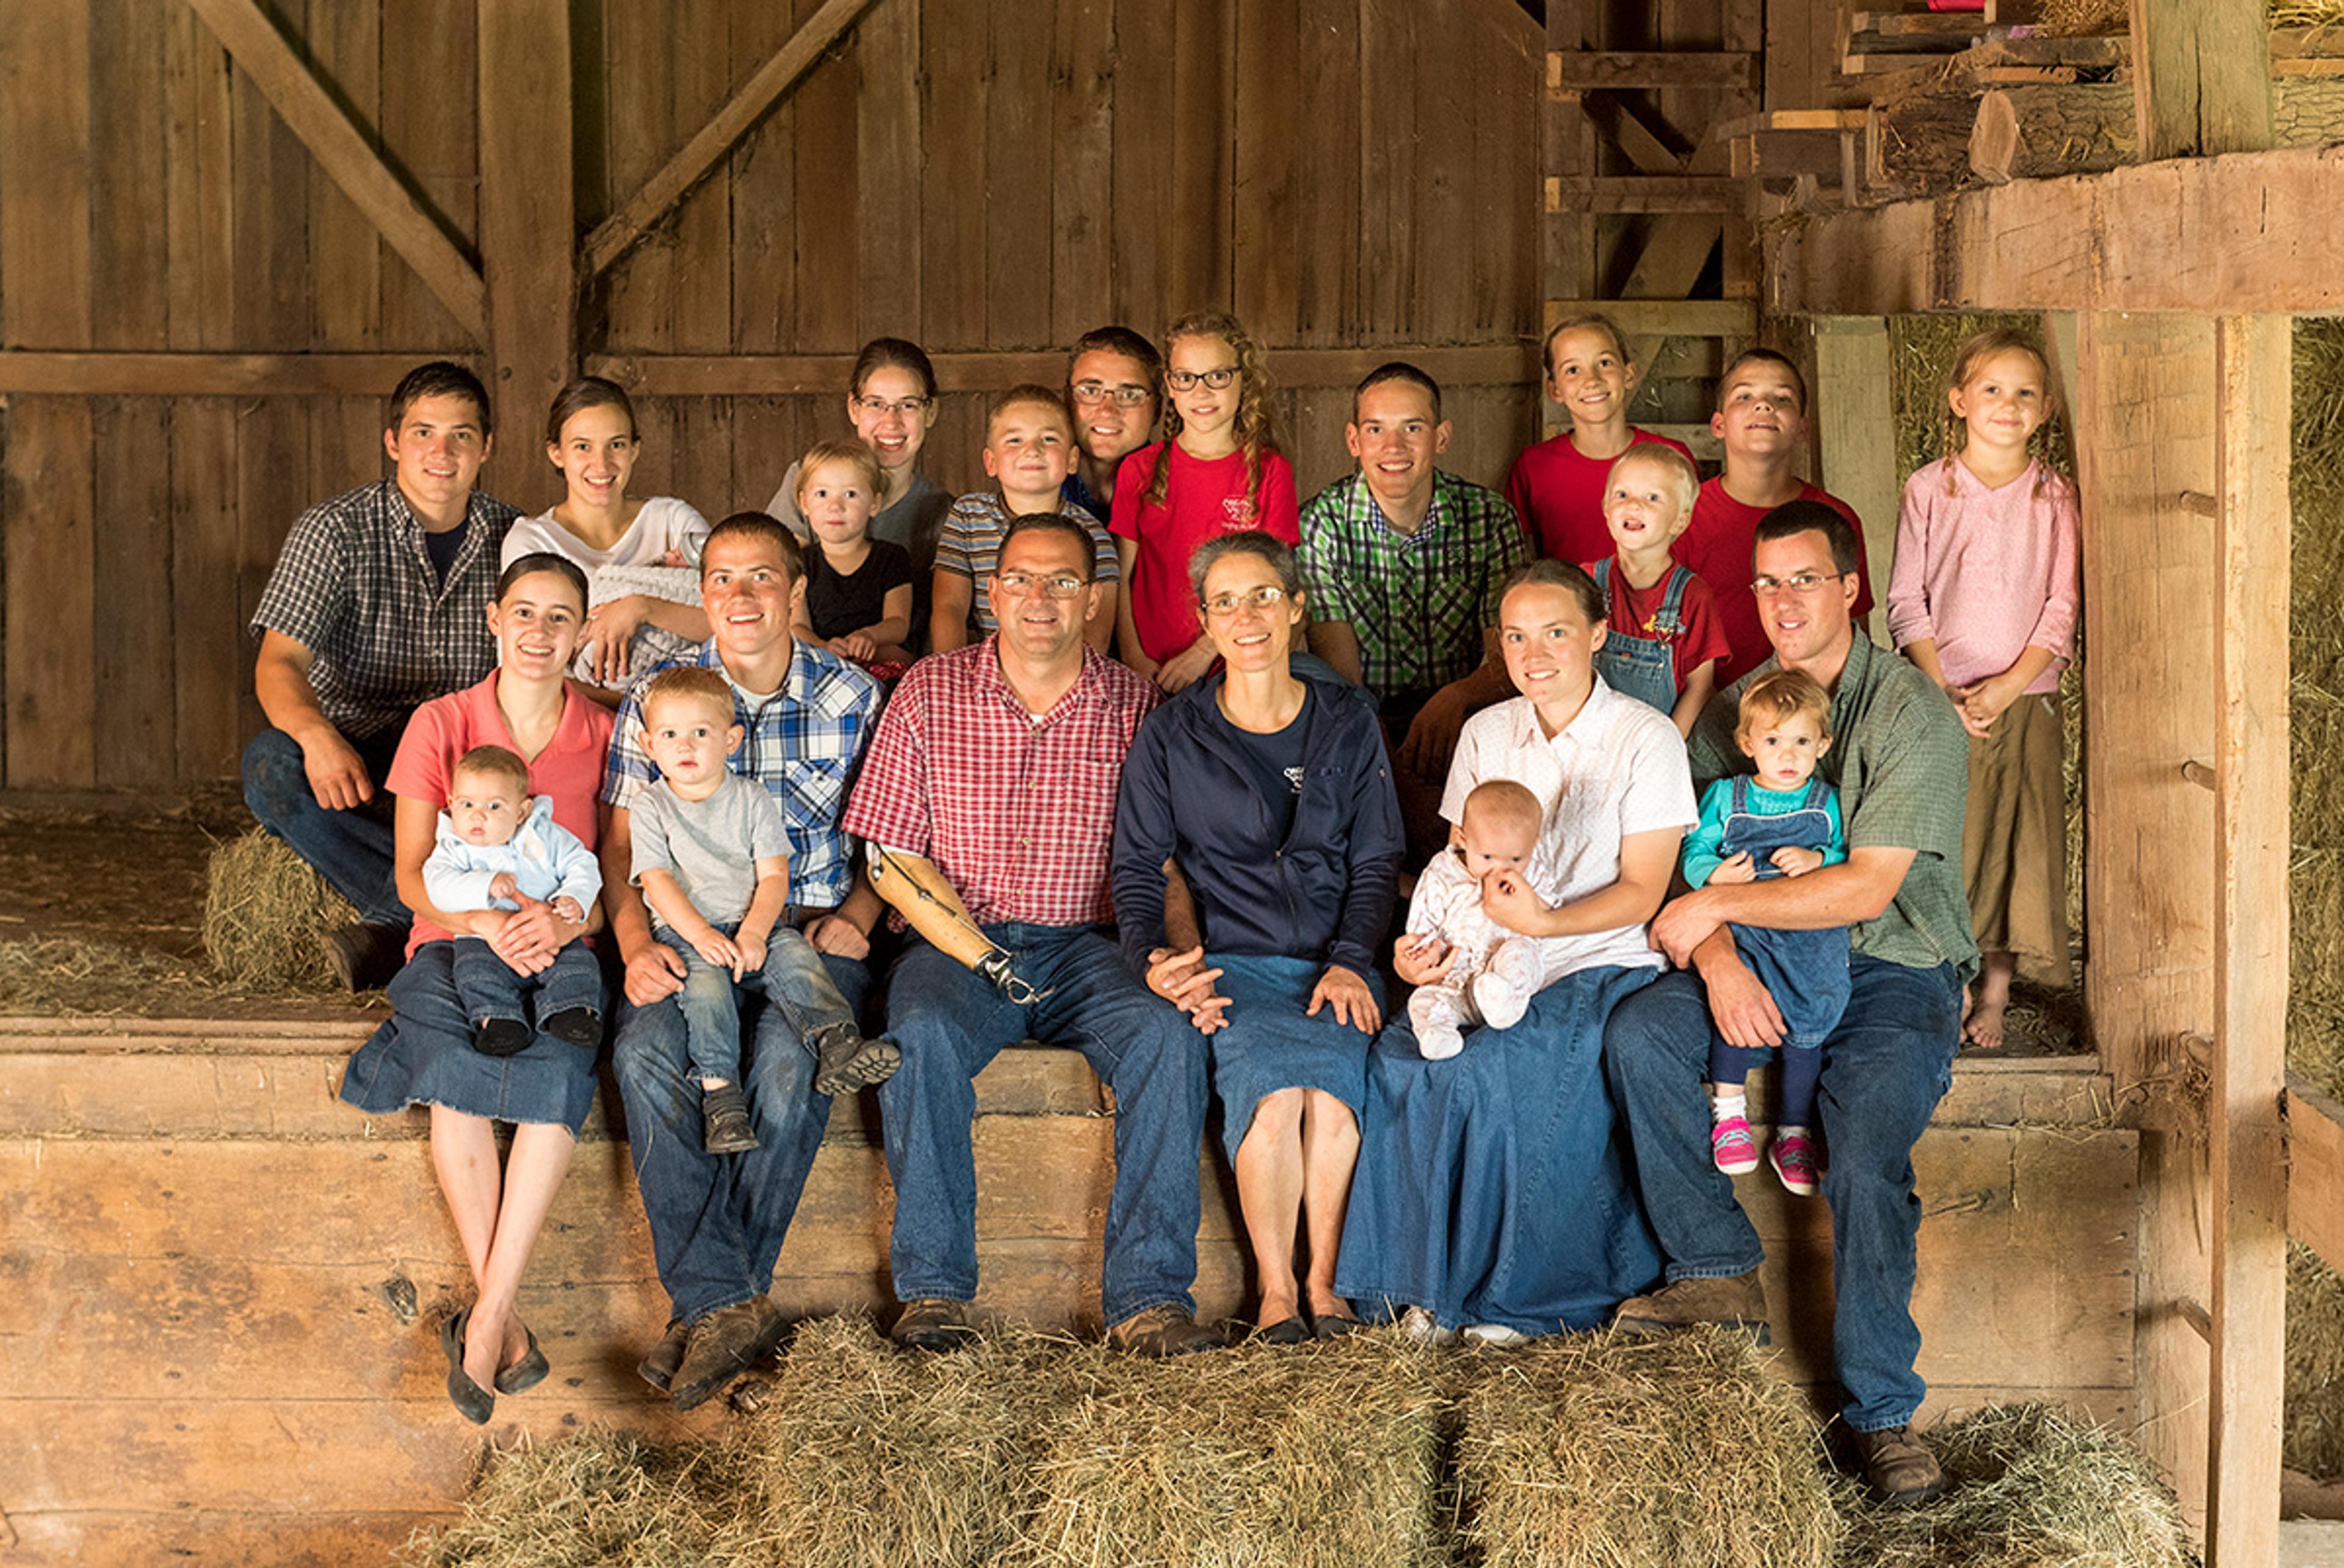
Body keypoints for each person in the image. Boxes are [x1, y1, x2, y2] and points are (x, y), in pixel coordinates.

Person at [1604, 499, 1975, 1506]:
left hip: (1890, 961)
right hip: (1759, 953)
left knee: (1862, 1155)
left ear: (1853, 586)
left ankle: (1883, 1413)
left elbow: (1864, 887)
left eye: (1804, 578)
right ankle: (1717, 1264)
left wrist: (1717, 902)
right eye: (1766, 581)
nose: (1783, 600)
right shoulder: (1745, 705)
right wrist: (1720, 955)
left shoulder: (1909, 711)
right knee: (1641, 1035)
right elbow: (1684, 858)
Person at [842, 515, 1221, 1359]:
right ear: (993, 590)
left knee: (1166, 1039)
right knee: (922, 1037)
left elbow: (1167, 862)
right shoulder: (931, 692)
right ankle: (935, 1293)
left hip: (1093, 946)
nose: (1039, 598)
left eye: (1061, 582)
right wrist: (975, 949)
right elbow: (891, 855)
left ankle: (1149, 1301)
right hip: (957, 944)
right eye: (1020, 579)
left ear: (1092, 598)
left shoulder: (1135, 705)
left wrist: (1174, 954)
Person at [1334, 561, 1694, 1343]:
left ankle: (1519, 1302)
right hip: (1480, 955)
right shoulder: (1487, 731)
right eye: (1518, 635)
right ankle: (1409, 1294)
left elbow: (1643, 890)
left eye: (1557, 632)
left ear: (1599, 635)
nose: (1536, 652)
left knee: (1508, 1067)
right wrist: (1413, 956)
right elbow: (1454, 869)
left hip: (1595, 955)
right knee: (1408, 1064)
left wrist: (1542, 925)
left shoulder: (1645, 736)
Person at [599, 513, 891, 1413]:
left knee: (784, 1062)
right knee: (646, 1053)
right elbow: (621, 847)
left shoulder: (852, 696)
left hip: (806, 928)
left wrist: (858, 914)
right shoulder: (658, 699)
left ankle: (712, 1306)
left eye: (761, 577)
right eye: (721, 578)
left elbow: (895, 835)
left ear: (796, 591)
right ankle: (729, 1305)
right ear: (704, 592)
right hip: (684, 932)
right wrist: (636, 943)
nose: (739, 596)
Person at [335, 553, 613, 1423]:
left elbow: (610, 879)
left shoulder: (605, 730)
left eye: (560, 616)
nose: (539, 633)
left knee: (559, 1075)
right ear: (494, 621)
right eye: (523, 613)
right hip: (453, 943)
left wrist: (565, 925)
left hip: (559, 948)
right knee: (455, 1075)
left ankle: (487, 1315)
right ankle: (502, 1322)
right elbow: (415, 877)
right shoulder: (441, 722)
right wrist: (482, 924)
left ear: (582, 631)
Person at [1112, 532, 1403, 1344]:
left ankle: (1327, 1289)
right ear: (1204, 618)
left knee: (1336, 1101)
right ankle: (1277, 1297)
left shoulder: (1348, 720)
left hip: (1335, 964)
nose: (1248, 617)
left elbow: (1379, 856)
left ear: (1296, 606)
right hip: (1235, 963)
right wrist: (1156, 961)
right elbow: (1138, 864)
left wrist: (1351, 961)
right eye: (1227, 602)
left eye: (1265, 596)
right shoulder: (1174, 733)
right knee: (1275, 1097)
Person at [245, 361, 518, 990]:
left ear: (487, 447)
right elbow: (279, 661)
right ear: (393, 441)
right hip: (361, 753)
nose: (441, 452)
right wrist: (317, 737)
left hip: (463, 759)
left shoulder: (516, 536)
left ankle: (399, 919)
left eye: (461, 435)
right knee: (270, 764)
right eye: (423, 432)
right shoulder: (334, 531)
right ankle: (424, 907)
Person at [1886, 328, 2079, 1049]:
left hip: (2024, 699)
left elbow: (2062, 608)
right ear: (1959, 400)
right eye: (1992, 389)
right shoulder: (1930, 489)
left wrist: (2006, 687)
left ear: (2046, 410)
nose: (2008, 404)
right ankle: (1948, 981)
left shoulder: (2054, 496)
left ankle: (1994, 990)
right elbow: (1907, 600)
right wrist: (1941, 690)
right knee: (1950, 842)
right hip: (1939, 699)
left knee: (2014, 841)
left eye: (2025, 393)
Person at [1299, 363, 1526, 865]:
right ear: (1353, 440)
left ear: (1441, 437)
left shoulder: (1488, 517)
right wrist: (1396, 778)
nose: (1393, 447)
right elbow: (1342, 677)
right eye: (1376, 429)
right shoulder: (1321, 523)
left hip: (1470, 709)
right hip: (1365, 714)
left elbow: (1509, 653)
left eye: (1413, 428)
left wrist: (1457, 697)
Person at [1679, 670, 1850, 1196]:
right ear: (1747, 743)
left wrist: (1817, 857)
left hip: (1807, 936)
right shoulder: (1725, 797)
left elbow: (1846, 855)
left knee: (1811, 1016)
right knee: (1736, 1008)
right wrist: (1712, 873)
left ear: (1822, 745)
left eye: (1802, 742)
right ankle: (1729, 1113)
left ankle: (1792, 1132)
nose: (1788, 754)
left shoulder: (1826, 802)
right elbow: (1693, 851)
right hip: (1747, 927)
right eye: (1773, 741)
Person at [1110, 309, 1300, 692]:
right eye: (1186, 378)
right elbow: (1119, 578)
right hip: (1149, 668)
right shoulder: (1139, 469)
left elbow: (1272, 584)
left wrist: (1203, 653)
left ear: (1242, 379)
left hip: (1235, 667)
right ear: (1170, 384)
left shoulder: (1270, 470)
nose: (1201, 392)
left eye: (1217, 376)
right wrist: (1133, 656)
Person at [1674, 349, 1875, 687]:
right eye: (1745, 395)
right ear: (1719, 425)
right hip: (1710, 709)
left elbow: (1855, 633)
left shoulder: (1836, 518)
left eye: (1782, 398)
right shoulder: (1684, 516)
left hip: (1808, 715)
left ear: (1802, 428)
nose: (1764, 405)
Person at [503, 375, 711, 699]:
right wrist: (635, 705)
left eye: (616, 445)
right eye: (583, 446)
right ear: (556, 453)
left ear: (634, 450)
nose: (601, 465)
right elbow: (520, 663)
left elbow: (732, 625)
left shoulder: (673, 520)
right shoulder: (533, 541)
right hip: (576, 716)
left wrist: (642, 607)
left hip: (684, 722)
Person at [764, 338, 953, 647]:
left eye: (908, 405)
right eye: (876, 404)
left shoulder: (941, 511)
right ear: (854, 408)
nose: (891, 422)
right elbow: (776, 589)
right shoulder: (808, 480)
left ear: (930, 412)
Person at [420, 743, 604, 1057]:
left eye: (494, 807)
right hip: (483, 940)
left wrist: (574, 897)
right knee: (474, 974)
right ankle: (500, 1022)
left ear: (522, 812)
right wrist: (485, 885)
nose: (477, 815)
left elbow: (583, 865)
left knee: (579, 965)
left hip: (550, 934)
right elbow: (438, 887)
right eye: (466, 805)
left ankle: (570, 1013)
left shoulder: (545, 837)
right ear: (451, 804)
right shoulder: (453, 847)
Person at [931, 385, 1120, 653]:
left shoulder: (1093, 534)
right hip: (982, 673)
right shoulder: (968, 516)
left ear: (1072, 460)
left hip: (1064, 673)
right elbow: (949, 607)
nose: (1033, 450)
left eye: (1050, 439)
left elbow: (1096, 632)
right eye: (1015, 440)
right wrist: (953, 674)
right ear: (991, 461)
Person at [1505, 314, 1696, 568]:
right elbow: (1520, 558)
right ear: (1555, 390)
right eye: (1573, 370)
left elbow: (1695, 546)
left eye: (1604, 363)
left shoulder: (1671, 457)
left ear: (1629, 374)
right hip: (1570, 605)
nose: (1592, 380)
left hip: (1657, 607)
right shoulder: (1534, 467)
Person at [1400, 778, 1554, 1061]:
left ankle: (1505, 1002)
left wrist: (1529, 899)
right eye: (1487, 856)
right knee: (1421, 1001)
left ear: (1535, 845)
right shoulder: (1442, 873)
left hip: (1501, 968)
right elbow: (1423, 923)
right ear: (1463, 838)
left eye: (1516, 859)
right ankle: (1439, 1034)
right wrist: (1428, 948)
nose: (1501, 868)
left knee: (1522, 953)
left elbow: (1548, 916)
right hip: (1453, 978)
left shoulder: (1534, 874)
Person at [1586, 444, 1729, 735]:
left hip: (1659, 741)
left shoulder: (1693, 596)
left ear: (1680, 520)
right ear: (1605, 509)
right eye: (1622, 495)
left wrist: (1669, 745)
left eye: (1652, 497)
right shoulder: (1584, 582)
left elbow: (1699, 687)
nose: (1634, 505)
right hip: (1590, 740)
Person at [790, 441, 916, 670]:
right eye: (822, 494)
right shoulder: (800, 562)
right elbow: (798, 626)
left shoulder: (891, 558)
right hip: (823, 661)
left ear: (874, 504)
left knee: (897, 656)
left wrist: (870, 636)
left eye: (850, 494)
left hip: (878, 658)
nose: (835, 506)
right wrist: (822, 647)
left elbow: (898, 623)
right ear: (804, 503)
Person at [1063, 325, 1163, 518]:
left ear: (1157, 409)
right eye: (1091, 391)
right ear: (1067, 399)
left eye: (1129, 395)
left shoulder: (1181, 488)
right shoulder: (1036, 480)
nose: (1108, 411)